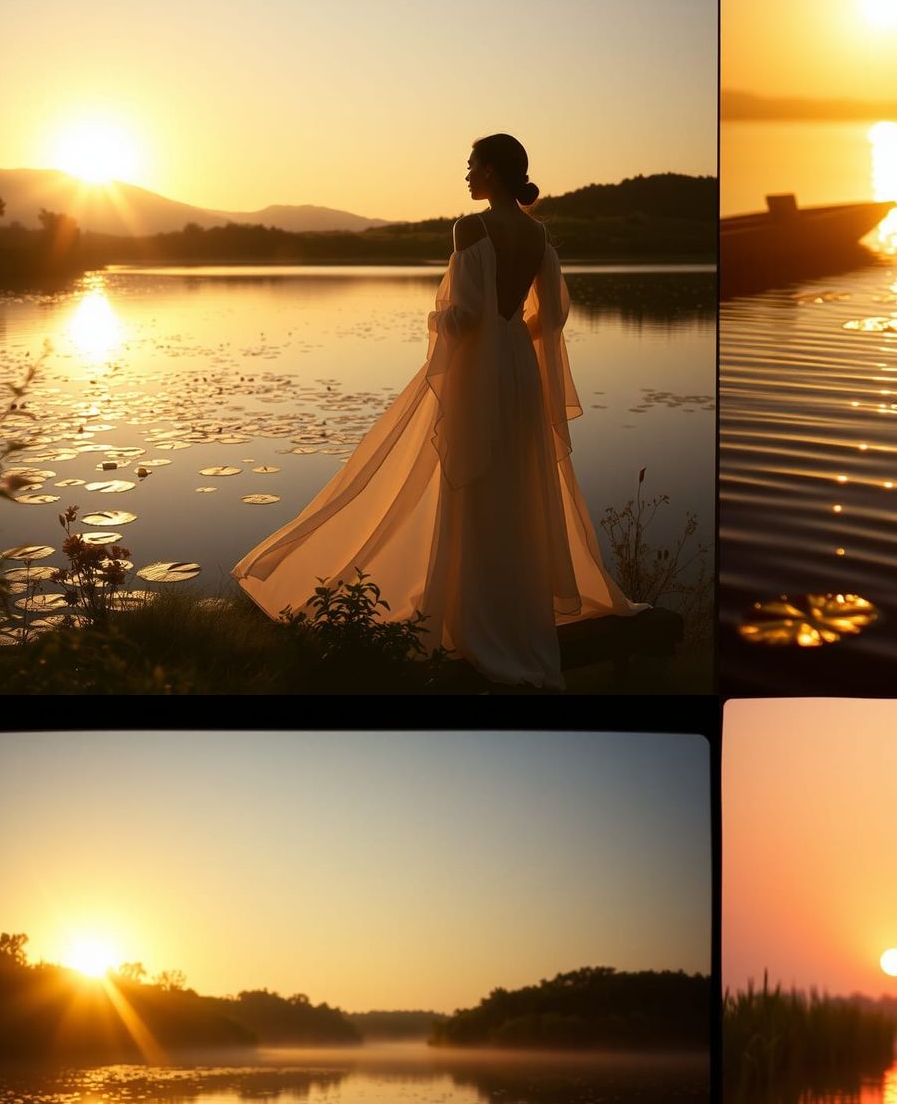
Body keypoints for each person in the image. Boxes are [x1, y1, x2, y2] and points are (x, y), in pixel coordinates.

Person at [232, 132, 640, 688]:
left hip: (479, 372)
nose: (467, 174)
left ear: (492, 172)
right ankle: (514, 610)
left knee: (470, 479)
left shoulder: (471, 228)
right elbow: (554, 316)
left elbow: (465, 316)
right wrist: (510, 335)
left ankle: (474, 617)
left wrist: (436, 321)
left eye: (472, 165)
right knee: (516, 480)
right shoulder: (538, 234)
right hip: (519, 370)